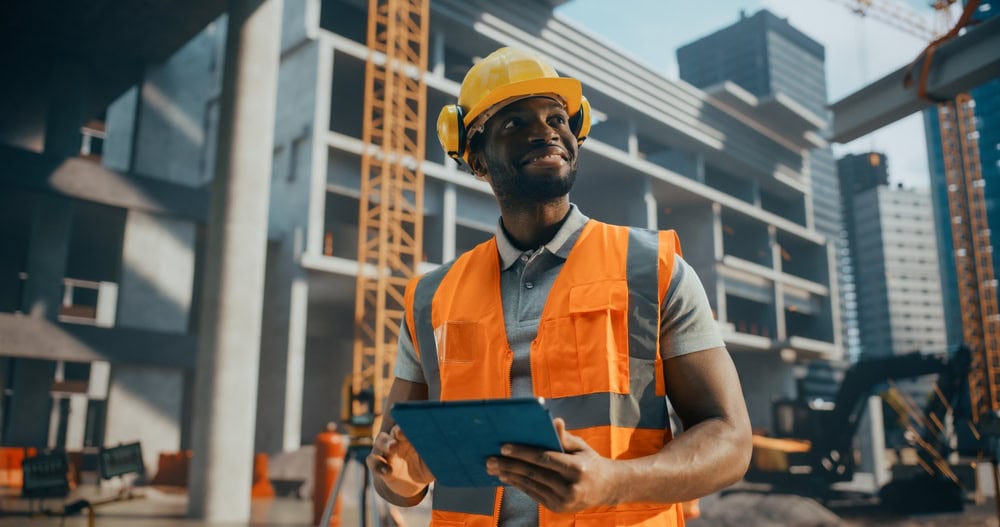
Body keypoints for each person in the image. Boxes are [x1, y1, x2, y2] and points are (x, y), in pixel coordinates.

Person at [366, 47, 752, 527]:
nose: (546, 130)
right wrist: (400, 477)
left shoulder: (652, 270)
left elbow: (730, 438)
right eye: (513, 122)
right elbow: (396, 474)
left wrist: (613, 481)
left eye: (557, 117)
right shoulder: (429, 300)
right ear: (476, 159)